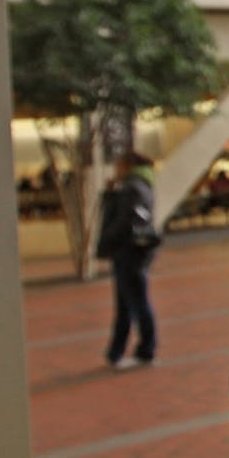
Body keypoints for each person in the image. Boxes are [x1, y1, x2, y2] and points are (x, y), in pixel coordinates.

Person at [96, 151, 160, 367]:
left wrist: (107, 240)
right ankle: (116, 352)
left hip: (128, 252)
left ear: (127, 165)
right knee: (126, 304)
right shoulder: (138, 184)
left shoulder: (133, 187)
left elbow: (126, 220)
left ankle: (145, 349)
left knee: (136, 302)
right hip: (130, 252)